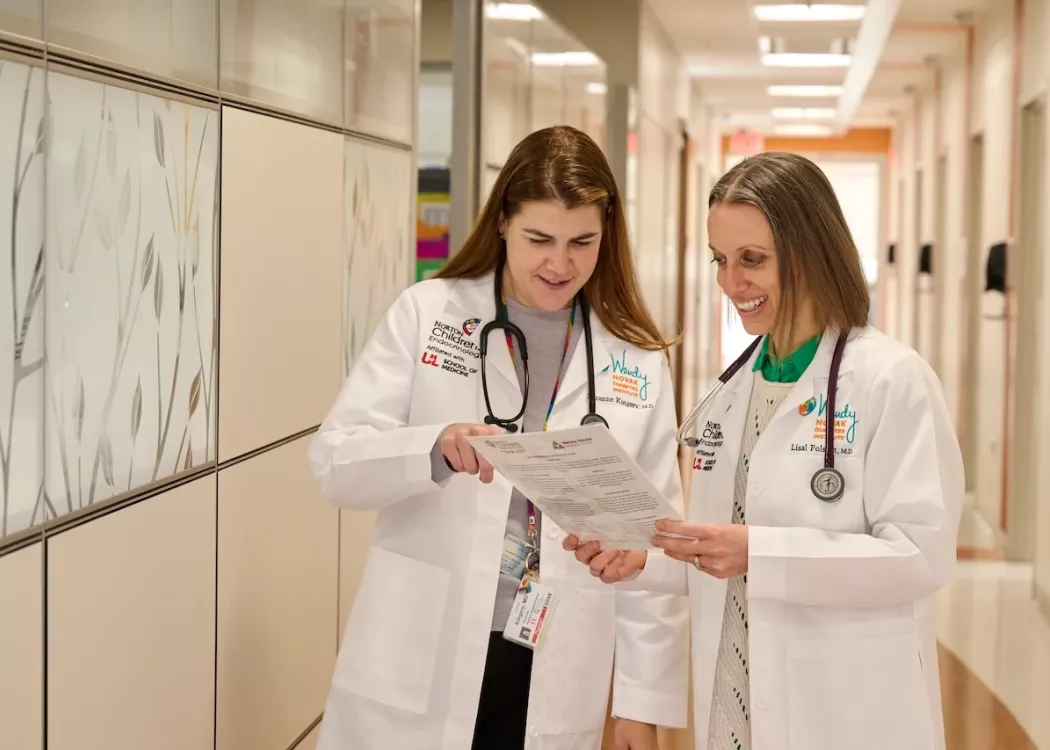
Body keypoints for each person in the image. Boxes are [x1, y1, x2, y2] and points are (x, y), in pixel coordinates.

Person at [565, 151, 964, 750]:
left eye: (752, 259)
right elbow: (721, 552)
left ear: (810, 251)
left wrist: (758, 552)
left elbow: (920, 556)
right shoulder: (730, 393)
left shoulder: (890, 380)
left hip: (846, 712)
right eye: (720, 260)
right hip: (736, 705)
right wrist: (645, 559)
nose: (731, 284)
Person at [307, 125, 689, 750]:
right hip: (427, 643)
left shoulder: (635, 360)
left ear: (607, 235)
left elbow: (650, 538)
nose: (559, 264)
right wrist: (432, 448)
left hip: (554, 649)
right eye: (540, 239)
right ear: (504, 222)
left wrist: (640, 704)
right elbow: (335, 461)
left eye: (582, 242)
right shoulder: (429, 313)